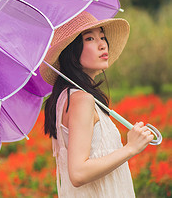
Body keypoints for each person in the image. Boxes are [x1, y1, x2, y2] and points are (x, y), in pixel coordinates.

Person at [39, 11, 154, 197]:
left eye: (102, 36)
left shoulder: (67, 97)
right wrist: (130, 148)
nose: (102, 44)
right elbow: (78, 173)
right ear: (72, 52)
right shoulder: (81, 100)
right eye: (90, 38)